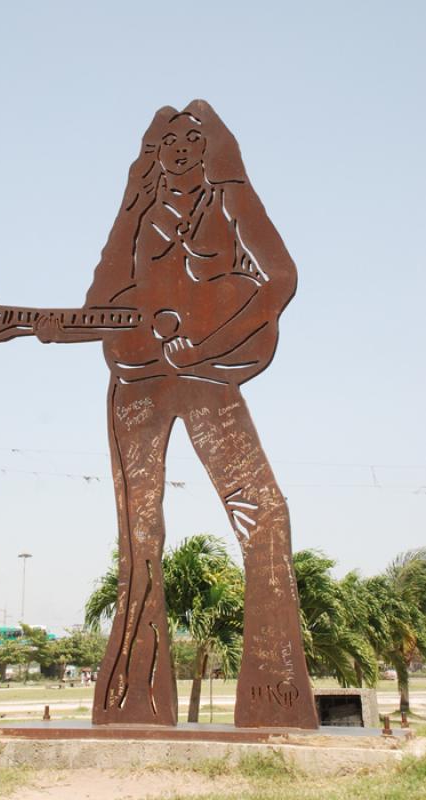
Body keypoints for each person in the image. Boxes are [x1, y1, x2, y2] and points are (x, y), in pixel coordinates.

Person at [36, 100, 317, 729]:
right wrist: (58, 326)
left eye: (193, 137)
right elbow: (100, 303)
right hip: (137, 384)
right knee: (140, 539)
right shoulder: (136, 213)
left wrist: (210, 345)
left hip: (211, 379)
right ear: (153, 152)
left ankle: (275, 696)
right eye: (167, 140)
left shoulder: (231, 201)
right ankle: (134, 700)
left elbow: (279, 281)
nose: (180, 147)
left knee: (264, 515)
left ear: (213, 145)